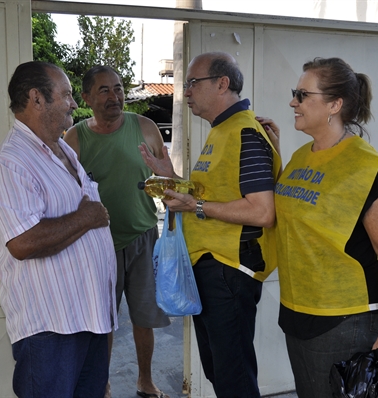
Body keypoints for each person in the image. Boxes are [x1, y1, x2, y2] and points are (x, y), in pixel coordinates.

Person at [258, 57, 378, 398]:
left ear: (334, 105)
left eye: (302, 94)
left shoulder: (365, 167)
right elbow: (292, 208)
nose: (293, 102)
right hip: (297, 310)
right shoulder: (301, 157)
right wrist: (275, 153)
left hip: (345, 321)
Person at [139, 52, 282, 398]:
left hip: (229, 269)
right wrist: (171, 178)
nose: (186, 92)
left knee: (232, 377)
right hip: (211, 266)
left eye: (192, 83)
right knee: (219, 370)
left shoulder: (244, 132)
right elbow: (215, 192)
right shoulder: (222, 131)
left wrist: (196, 205)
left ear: (222, 84)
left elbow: (263, 212)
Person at [0, 61, 117, 398]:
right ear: (37, 99)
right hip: (50, 329)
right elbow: (22, 242)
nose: (74, 103)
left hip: (89, 318)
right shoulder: (10, 162)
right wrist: (87, 218)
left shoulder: (61, 147)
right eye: (66, 94)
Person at [63, 66, 170, 398]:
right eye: (105, 90)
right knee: (103, 322)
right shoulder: (75, 138)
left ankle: (145, 380)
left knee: (144, 317)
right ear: (86, 98)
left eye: (119, 88)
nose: (115, 96)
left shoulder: (146, 127)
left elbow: (168, 181)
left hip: (143, 238)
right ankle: (103, 384)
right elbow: (66, 194)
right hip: (97, 245)